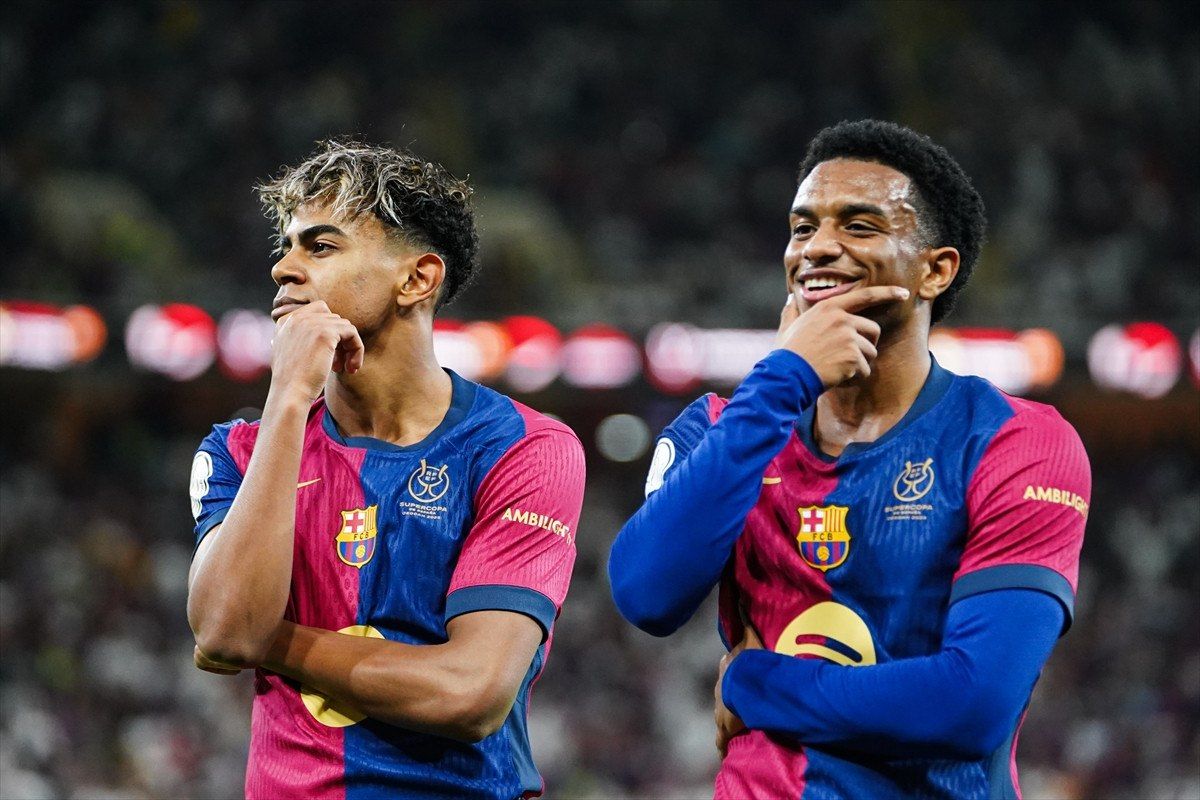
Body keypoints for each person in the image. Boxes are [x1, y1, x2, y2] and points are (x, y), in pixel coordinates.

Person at [608, 120, 1090, 799]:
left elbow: (971, 704)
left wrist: (753, 682)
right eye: (802, 228)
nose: (818, 247)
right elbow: (645, 594)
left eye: (859, 226)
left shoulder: (1016, 442)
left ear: (935, 270)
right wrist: (782, 379)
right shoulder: (723, 426)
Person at [186, 140, 586, 799]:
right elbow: (227, 633)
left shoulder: (523, 448)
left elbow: (471, 692)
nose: (283, 269)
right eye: (285, 247)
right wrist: (287, 399)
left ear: (416, 279)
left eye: (320, 247)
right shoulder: (239, 452)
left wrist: (273, 642)